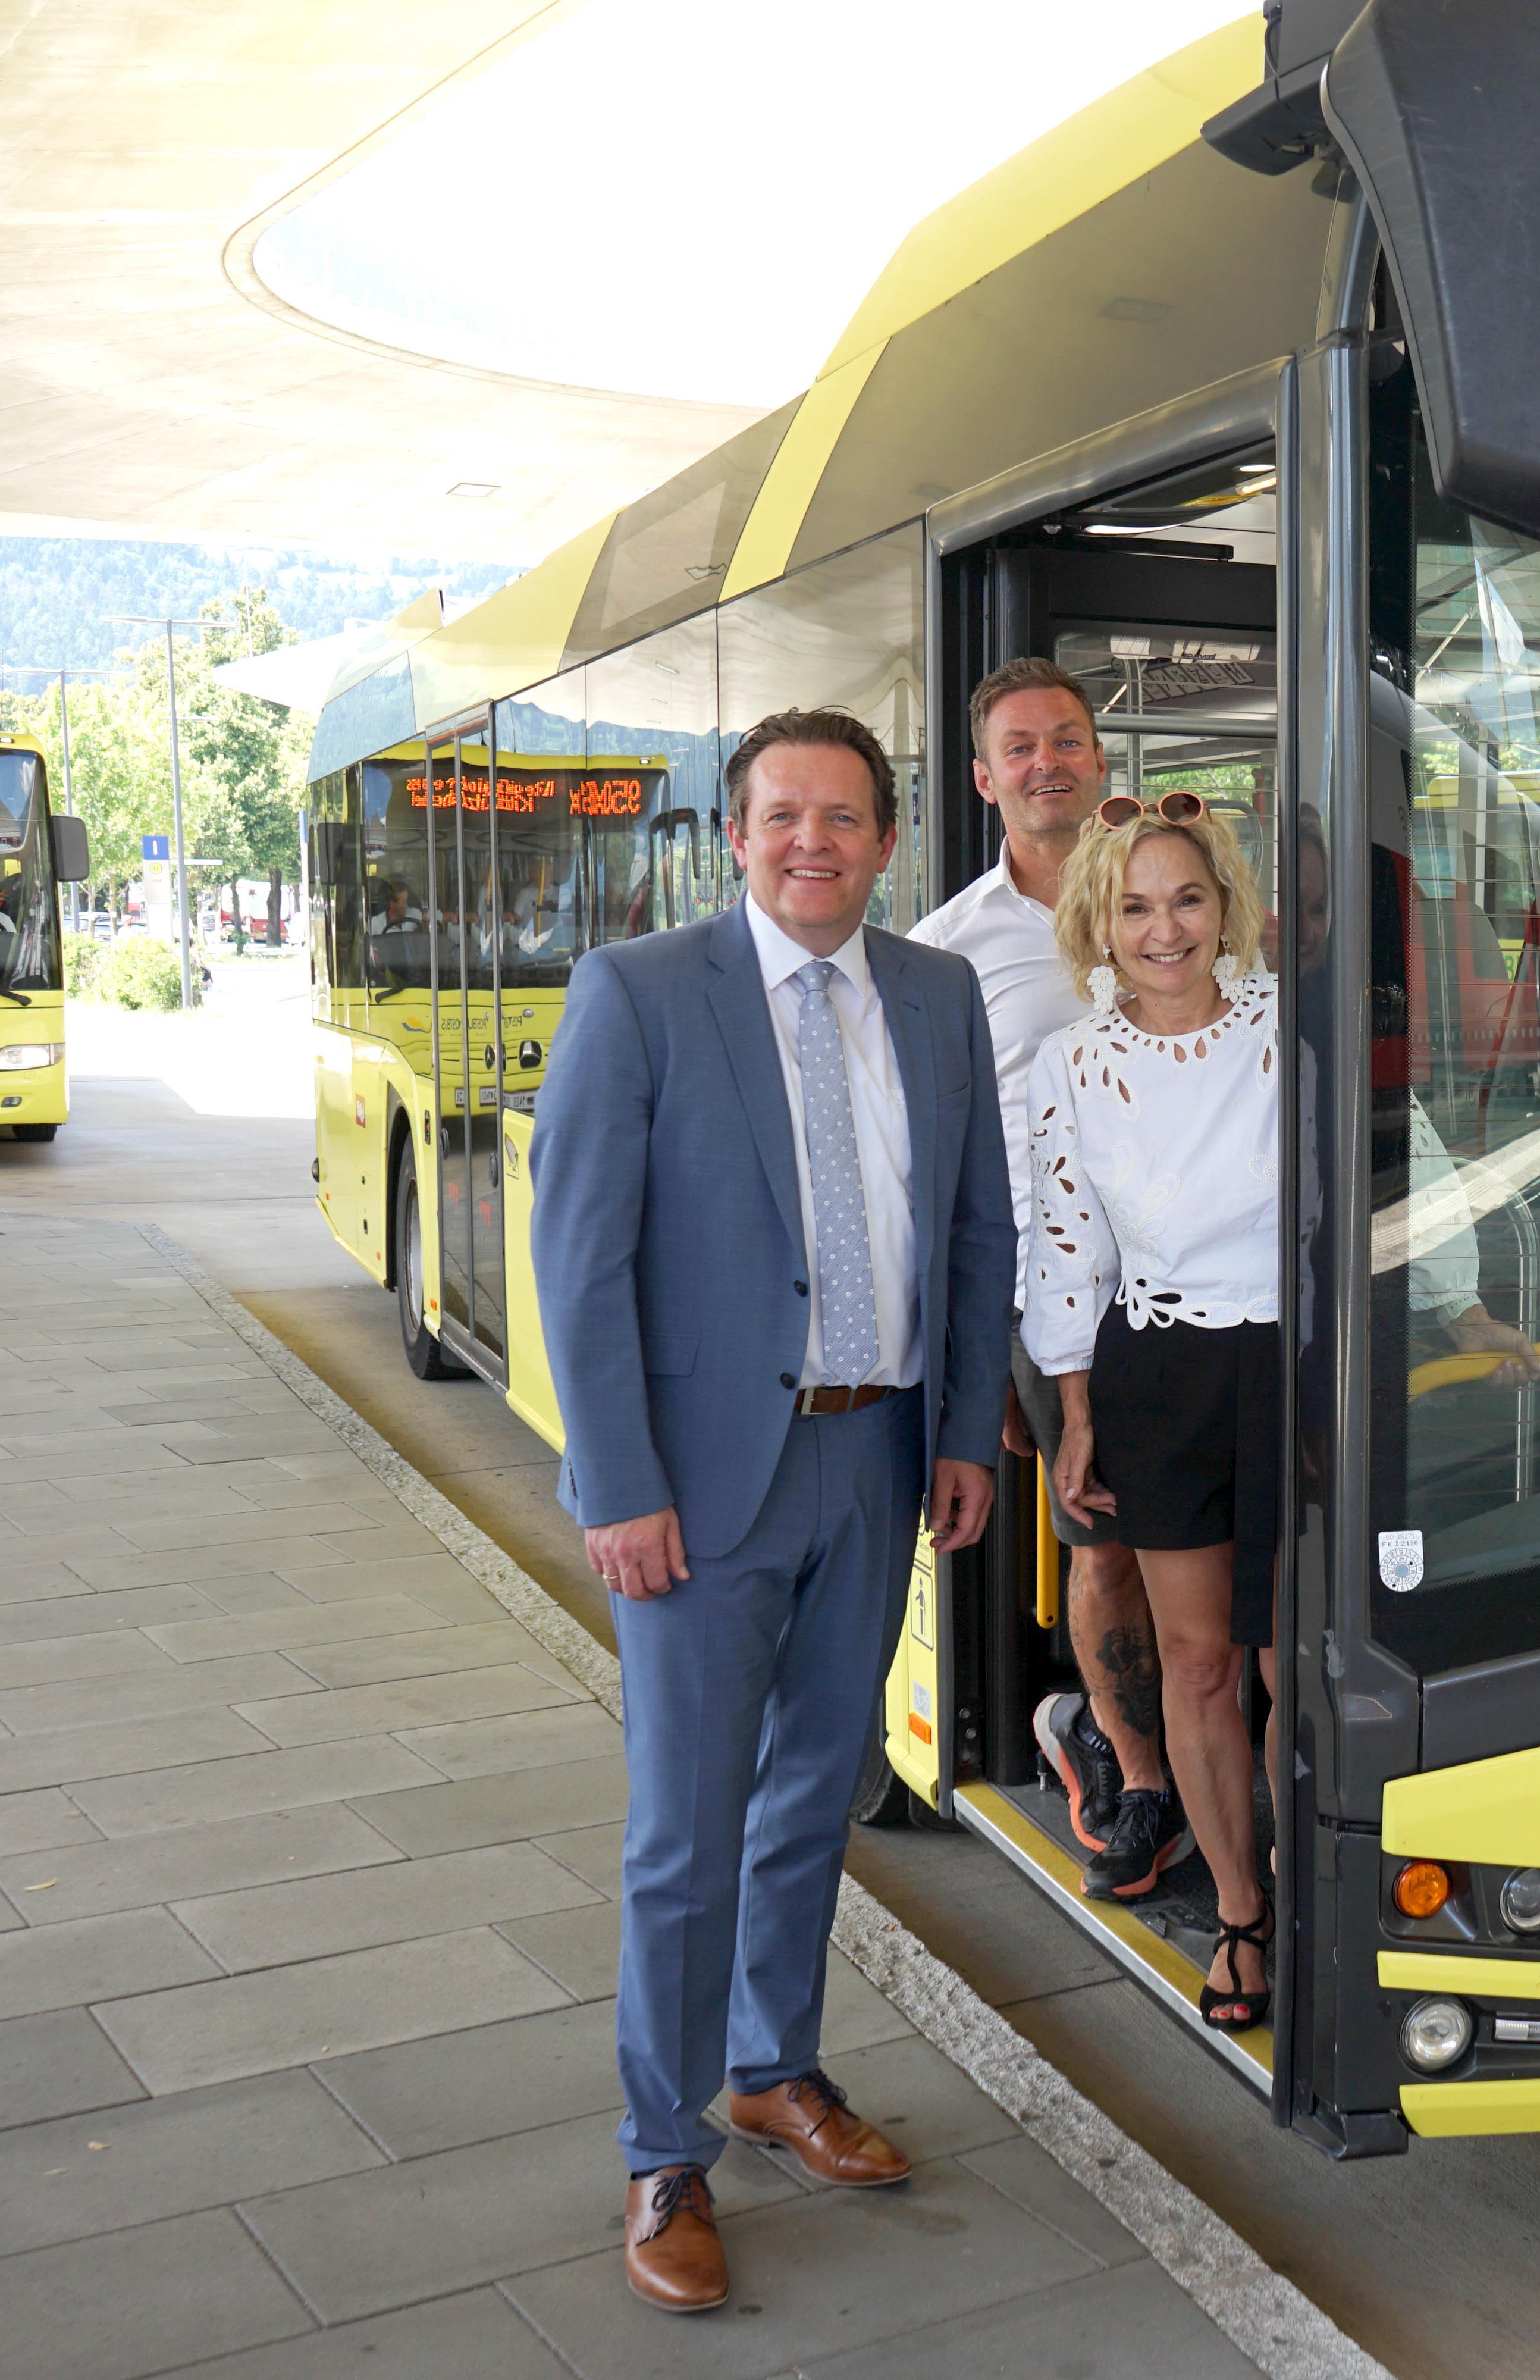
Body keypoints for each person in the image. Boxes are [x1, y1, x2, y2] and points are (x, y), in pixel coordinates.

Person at [526, 706, 1013, 2316]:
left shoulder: (937, 995)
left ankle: (772, 2069)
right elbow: (579, 1259)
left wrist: (964, 1433)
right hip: (701, 1484)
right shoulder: (640, 991)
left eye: (845, 816)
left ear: (889, 840)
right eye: (783, 815)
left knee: (816, 1792)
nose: (814, 841)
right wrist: (618, 1482)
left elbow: (975, 1229)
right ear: (734, 837)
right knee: (685, 1829)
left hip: (876, 1463)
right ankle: (663, 2148)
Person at [909, 659, 1183, 1899]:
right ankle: (1140, 1773)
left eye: (1067, 739)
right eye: (1019, 747)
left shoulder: (1173, 897)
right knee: (1107, 1547)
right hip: (1054, 1297)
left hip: (1204, 1276)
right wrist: (982, 1356)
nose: (1046, 764)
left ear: (1100, 759)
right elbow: (939, 1161)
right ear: (984, 779)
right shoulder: (945, 951)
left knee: (1224, 1544)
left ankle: (1204, 1751)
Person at [1025, 791, 1285, 2031]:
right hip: (1160, 1369)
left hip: (1298, 1366)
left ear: (1226, 906)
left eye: (1187, 899)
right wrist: (1075, 1412)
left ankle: (1315, 1884)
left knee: (1298, 1662)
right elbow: (1065, 1246)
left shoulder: (1291, 1024)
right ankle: (1241, 1912)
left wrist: (1468, 1312)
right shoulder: (1073, 1061)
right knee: (1200, 1660)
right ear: (1100, 922)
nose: (1164, 929)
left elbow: (1396, 1165)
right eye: (1135, 907)